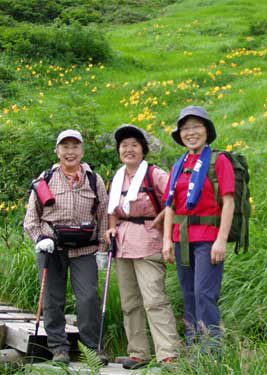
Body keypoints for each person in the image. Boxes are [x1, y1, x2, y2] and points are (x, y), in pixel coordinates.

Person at [24, 129, 109, 364]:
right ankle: (59, 348)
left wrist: (102, 248)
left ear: (82, 151)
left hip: (85, 250)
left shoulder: (94, 179)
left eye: (75, 147)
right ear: (57, 150)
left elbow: (103, 216)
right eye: (65, 147)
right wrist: (41, 239)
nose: (70, 152)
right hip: (52, 249)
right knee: (53, 299)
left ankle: (91, 349)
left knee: (88, 298)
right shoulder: (46, 178)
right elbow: (31, 218)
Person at [105, 124, 180, 369]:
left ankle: (168, 353)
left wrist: (158, 221)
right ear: (118, 151)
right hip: (123, 246)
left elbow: (174, 198)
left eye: (134, 145)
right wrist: (112, 226)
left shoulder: (154, 174)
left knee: (154, 300)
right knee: (129, 302)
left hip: (149, 243)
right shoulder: (117, 178)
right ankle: (138, 353)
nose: (128, 150)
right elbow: (113, 209)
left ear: (143, 150)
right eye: (124, 145)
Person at [162, 106, 235, 351]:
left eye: (196, 127)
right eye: (185, 128)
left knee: (204, 293)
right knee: (189, 294)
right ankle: (194, 347)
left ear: (207, 130)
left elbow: (228, 201)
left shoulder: (219, 160)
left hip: (208, 238)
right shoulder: (179, 164)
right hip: (181, 238)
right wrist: (166, 241)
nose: (190, 133)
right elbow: (170, 206)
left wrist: (221, 240)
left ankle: (211, 351)